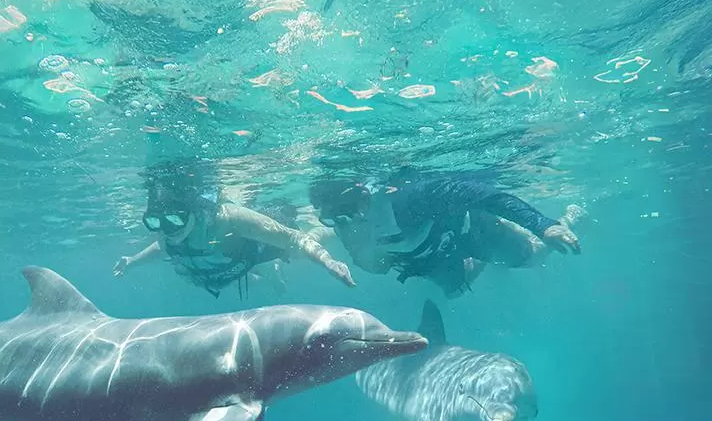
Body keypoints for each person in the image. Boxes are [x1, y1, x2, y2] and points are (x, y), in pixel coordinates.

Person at [307, 168, 583, 298]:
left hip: (469, 231)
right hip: (428, 256)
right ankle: (484, 260)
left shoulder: (408, 200)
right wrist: (311, 247)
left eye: (353, 208)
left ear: (366, 192)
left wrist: (542, 224)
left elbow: (479, 194)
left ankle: (569, 218)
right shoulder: (345, 224)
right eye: (335, 218)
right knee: (453, 293)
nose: (350, 222)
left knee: (533, 257)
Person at [114, 159, 356, 298]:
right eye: (154, 222)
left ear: (193, 213)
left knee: (294, 246)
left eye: (174, 221)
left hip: (255, 248)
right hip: (224, 264)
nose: (166, 230)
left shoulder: (228, 218)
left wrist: (328, 262)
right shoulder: (170, 231)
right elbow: (163, 247)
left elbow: (294, 239)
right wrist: (132, 260)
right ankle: (268, 274)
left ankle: (328, 230)